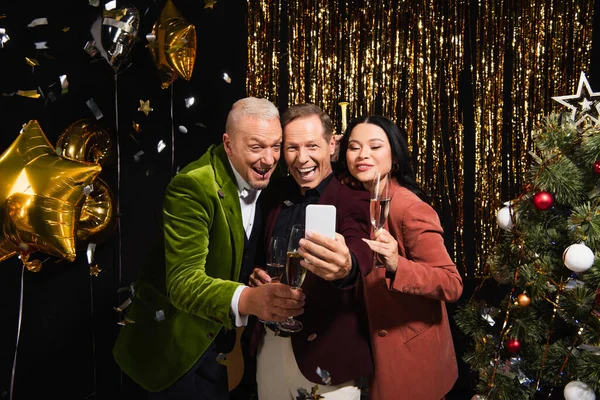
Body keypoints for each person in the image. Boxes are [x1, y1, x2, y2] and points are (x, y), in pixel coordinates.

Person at [112, 97, 305, 399]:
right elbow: (183, 282)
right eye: (256, 147)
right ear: (228, 144)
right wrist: (250, 298)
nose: (269, 159)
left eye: (276, 146)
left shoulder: (273, 175)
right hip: (178, 348)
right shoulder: (192, 187)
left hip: (233, 348)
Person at [249, 103, 373, 400]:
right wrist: (253, 279)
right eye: (291, 147)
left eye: (312, 146)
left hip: (327, 353)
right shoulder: (273, 195)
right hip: (270, 348)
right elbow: (256, 255)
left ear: (332, 145)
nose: (301, 158)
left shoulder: (353, 196)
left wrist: (347, 266)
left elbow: (361, 250)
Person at [338, 115, 463, 400]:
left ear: (394, 157)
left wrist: (398, 265)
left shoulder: (408, 208)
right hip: (364, 352)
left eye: (375, 146)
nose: (363, 155)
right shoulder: (354, 198)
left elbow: (452, 283)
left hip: (409, 357)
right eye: (354, 147)